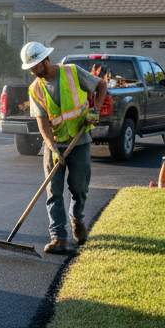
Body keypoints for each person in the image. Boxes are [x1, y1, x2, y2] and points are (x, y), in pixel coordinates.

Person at [20, 41, 107, 254]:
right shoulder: (35, 88)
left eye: (35, 66)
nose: (32, 71)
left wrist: (94, 110)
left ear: (45, 60)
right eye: (29, 68)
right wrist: (52, 147)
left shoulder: (72, 73)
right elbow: (42, 122)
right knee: (53, 192)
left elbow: (101, 86)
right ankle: (58, 237)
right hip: (54, 144)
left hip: (79, 141)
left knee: (79, 187)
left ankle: (77, 218)